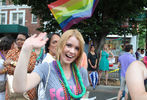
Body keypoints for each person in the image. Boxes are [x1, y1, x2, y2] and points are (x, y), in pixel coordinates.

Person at [13, 29, 89, 100]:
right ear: (61, 45)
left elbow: (83, 95)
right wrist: (26, 48)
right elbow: (19, 87)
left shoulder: (82, 72)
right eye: (68, 45)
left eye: (77, 48)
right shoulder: (46, 68)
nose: (72, 51)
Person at [3, 33, 37, 100]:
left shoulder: (32, 54)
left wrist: (12, 62)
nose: (19, 41)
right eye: (18, 39)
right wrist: (22, 69)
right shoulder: (11, 52)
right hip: (12, 86)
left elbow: (30, 68)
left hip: (27, 88)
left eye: (22, 39)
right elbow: (7, 67)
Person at [0, 36, 15, 100]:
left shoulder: (9, 57)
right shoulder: (2, 59)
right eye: (13, 45)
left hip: (6, 88)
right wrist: (6, 69)